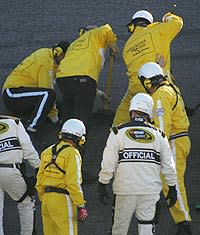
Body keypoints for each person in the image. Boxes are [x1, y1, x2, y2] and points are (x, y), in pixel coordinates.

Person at [98, 93, 177, 235]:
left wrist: (103, 183)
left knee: (119, 230)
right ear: (149, 111)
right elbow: (169, 165)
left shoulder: (117, 132)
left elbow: (108, 162)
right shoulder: (160, 135)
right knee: (146, 228)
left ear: (131, 110)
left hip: (124, 190)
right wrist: (172, 187)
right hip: (149, 191)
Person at [138, 62, 192, 235]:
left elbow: (162, 126)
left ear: (147, 82)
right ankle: (181, 221)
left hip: (174, 141)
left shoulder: (160, 95)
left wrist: (156, 148)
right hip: (179, 139)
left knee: (173, 181)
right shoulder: (172, 88)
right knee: (168, 181)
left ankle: (184, 224)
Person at [113, 9, 183, 126]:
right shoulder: (157, 30)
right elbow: (177, 23)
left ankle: (115, 136)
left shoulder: (127, 45)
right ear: (148, 23)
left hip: (135, 86)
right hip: (154, 84)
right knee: (162, 112)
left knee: (123, 113)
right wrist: (168, 16)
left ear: (133, 26)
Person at [56, 24, 118, 129]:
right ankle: (78, 138)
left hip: (63, 80)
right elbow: (106, 29)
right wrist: (112, 44)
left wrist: (101, 94)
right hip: (83, 79)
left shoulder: (74, 44)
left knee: (69, 114)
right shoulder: (94, 34)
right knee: (82, 118)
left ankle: (64, 136)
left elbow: (76, 75)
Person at [2, 40, 70, 133]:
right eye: (65, 58)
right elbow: (47, 89)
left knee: (51, 99)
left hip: (19, 95)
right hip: (12, 94)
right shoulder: (45, 62)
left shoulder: (47, 54)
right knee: (48, 94)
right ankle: (32, 128)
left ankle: (30, 119)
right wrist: (55, 119)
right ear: (60, 54)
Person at [36, 118, 88, 235]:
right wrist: (80, 204)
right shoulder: (73, 153)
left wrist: (43, 198)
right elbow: (73, 183)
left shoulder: (47, 152)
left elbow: (39, 180)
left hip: (46, 201)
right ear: (79, 138)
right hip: (63, 201)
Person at [0, 115, 40, 235]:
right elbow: (27, 148)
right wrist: (38, 166)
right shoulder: (13, 122)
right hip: (10, 171)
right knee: (26, 202)